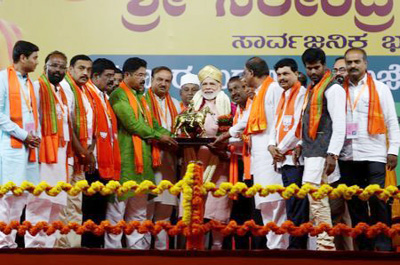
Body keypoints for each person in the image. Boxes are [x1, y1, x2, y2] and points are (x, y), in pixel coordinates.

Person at [214, 57, 289, 250]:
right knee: (265, 203)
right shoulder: (258, 94)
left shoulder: (273, 90)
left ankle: (279, 249)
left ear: (251, 73)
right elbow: (247, 120)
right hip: (260, 158)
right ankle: (274, 247)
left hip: (272, 155)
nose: (244, 77)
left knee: (274, 203)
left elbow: (278, 122)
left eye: (245, 73)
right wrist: (227, 135)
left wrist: (226, 136)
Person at [105, 57, 177, 249]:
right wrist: (158, 137)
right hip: (124, 161)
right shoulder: (118, 95)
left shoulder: (139, 98)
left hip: (143, 163)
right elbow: (132, 125)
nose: (143, 79)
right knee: (117, 211)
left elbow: (153, 124)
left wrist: (174, 137)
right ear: (126, 75)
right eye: (139, 75)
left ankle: (137, 253)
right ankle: (112, 254)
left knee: (138, 213)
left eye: (144, 75)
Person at [339, 48, 400, 251]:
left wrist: (393, 150)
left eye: (357, 62)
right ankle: (364, 247)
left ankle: (383, 245)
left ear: (365, 64)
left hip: (375, 153)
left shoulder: (381, 88)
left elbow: (392, 121)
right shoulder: (339, 90)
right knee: (355, 203)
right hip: (347, 155)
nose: (353, 66)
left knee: (378, 200)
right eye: (349, 62)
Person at [300, 48, 346, 251]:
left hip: (323, 154)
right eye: (309, 68)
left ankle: (326, 246)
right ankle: (319, 245)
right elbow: (309, 122)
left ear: (324, 65)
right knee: (314, 201)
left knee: (319, 202)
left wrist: (333, 154)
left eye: (316, 67)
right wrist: (301, 145)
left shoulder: (333, 88)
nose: (312, 72)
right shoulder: (313, 88)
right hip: (310, 153)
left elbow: (340, 124)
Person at [25, 51, 73, 248]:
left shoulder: (66, 91)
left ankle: (49, 249)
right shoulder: (36, 88)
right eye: (54, 66)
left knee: (57, 203)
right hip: (42, 153)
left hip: (61, 154)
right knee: (40, 201)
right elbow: (28, 118)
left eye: (62, 67)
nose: (58, 70)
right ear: (45, 66)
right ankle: (34, 249)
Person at [0, 40, 40, 248]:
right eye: (34, 58)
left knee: (23, 194)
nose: (37, 63)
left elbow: (33, 114)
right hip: (10, 145)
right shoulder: (2, 79)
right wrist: (23, 134)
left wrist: (34, 137)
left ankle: (11, 239)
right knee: (8, 194)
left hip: (29, 146)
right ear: (22, 58)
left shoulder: (30, 83)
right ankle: (2, 241)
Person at [268, 58, 308, 249]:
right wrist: (271, 145)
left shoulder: (302, 93)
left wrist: (280, 150)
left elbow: (298, 127)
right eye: (279, 74)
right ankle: (294, 245)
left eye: (286, 74)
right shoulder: (284, 95)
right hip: (283, 158)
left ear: (296, 74)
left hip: (294, 159)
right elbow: (276, 124)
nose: (282, 78)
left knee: (297, 205)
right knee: (290, 204)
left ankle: (297, 248)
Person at [55, 54, 95, 248]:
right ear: (70, 69)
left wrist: (90, 151)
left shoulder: (86, 91)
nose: (85, 73)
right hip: (66, 155)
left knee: (75, 205)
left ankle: (73, 249)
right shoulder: (65, 87)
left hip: (80, 157)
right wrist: (82, 151)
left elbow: (90, 126)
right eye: (81, 68)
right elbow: (67, 124)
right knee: (63, 204)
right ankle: (60, 249)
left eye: (88, 69)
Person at [81, 58, 121, 248]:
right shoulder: (86, 94)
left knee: (99, 213)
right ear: (95, 76)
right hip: (91, 161)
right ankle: (88, 252)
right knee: (91, 211)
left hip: (105, 162)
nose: (112, 81)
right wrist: (88, 154)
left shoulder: (104, 96)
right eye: (108, 76)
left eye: (113, 77)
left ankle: (96, 251)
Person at [145, 66, 181, 250]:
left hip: (168, 164)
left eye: (167, 80)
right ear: (151, 80)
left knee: (164, 212)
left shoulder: (175, 104)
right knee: (145, 211)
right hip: (147, 162)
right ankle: (141, 254)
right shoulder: (141, 101)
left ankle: (161, 254)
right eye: (159, 79)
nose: (163, 84)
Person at [330, 56, 354, 251]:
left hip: (357, 158)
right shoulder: (329, 92)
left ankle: (358, 252)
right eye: (336, 70)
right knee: (335, 210)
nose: (339, 74)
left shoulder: (360, 92)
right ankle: (339, 253)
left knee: (356, 209)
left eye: (342, 70)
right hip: (337, 160)